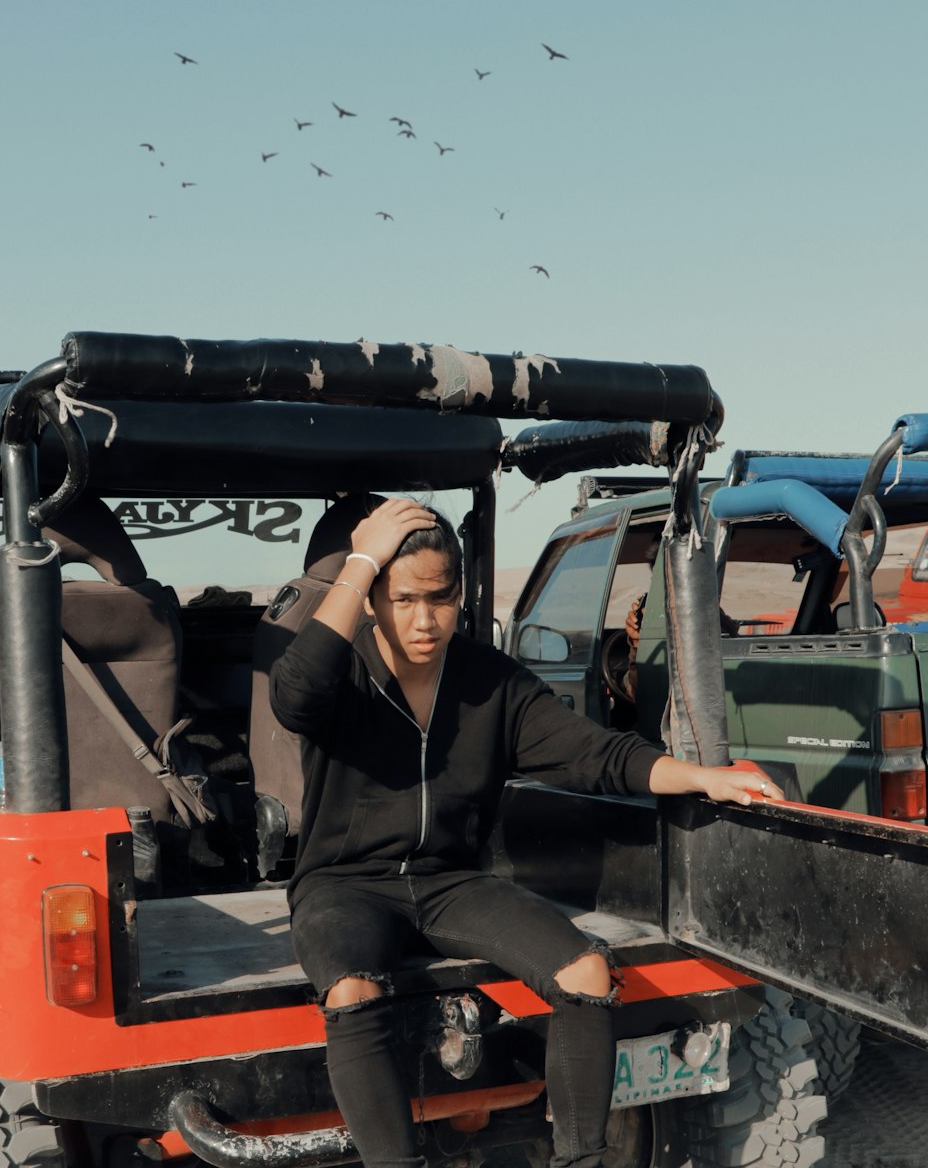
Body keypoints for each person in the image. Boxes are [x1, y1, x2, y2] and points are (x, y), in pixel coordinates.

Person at [269, 498, 782, 1168]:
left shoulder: (491, 682)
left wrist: (704, 778)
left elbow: (596, 754)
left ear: (460, 596)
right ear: (370, 599)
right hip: (344, 886)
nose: (424, 620)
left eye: (441, 598)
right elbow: (294, 694)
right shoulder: (343, 673)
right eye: (402, 599)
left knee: (588, 972)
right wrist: (360, 559)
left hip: (450, 883)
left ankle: (579, 1159)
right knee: (352, 989)